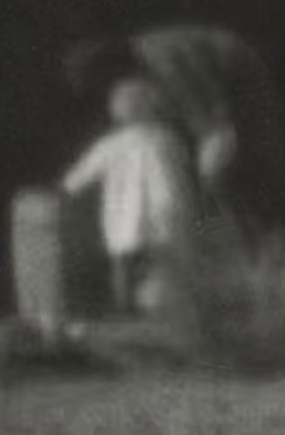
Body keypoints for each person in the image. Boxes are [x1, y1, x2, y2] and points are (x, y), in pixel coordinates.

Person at [60, 71, 201, 316]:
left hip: (125, 213)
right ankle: (167, 304)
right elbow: (186, 166)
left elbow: (81, 174)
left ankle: (126, 308)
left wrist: (64, 190)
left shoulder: (111, 145)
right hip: (164, 210)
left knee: (123, 260)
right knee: (163, 260)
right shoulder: (167, 139)